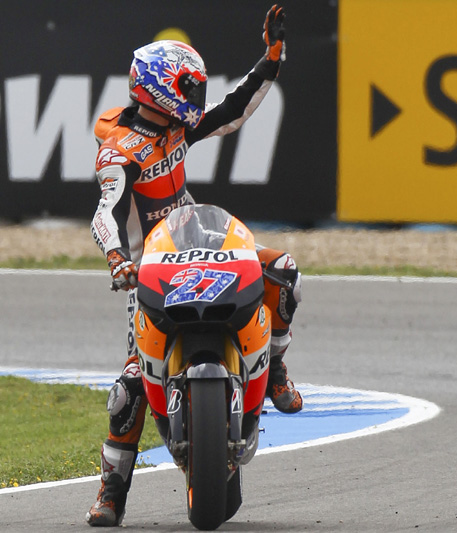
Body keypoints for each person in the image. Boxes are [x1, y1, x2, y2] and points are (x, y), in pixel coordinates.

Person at [86, 5, 303, 527]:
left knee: (284, 272)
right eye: (188, 87)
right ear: (159, 88)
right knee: (131, 387)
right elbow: (104, 213)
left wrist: (271, 60)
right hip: (149, 270)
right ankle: (111, 494)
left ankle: (272, 368)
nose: (196, 99)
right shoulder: (120, 151)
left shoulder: (177, 128)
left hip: (199, 244)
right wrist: (117, 258)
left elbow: (234, 110)